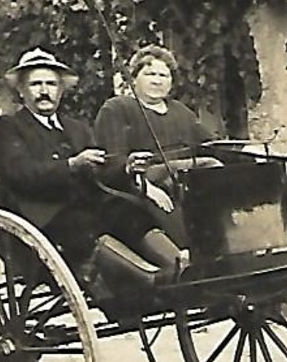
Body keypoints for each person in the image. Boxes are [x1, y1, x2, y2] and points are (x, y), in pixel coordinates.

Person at [0, 47, 181, 289]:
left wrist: (126, 167)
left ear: (61, 89)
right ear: (21, 90)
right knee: (84, 225)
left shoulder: (76, 127)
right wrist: (71, 164)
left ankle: (179, 266)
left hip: (88, 203)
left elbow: (100, 167)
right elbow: (19, 173)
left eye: (51, 84)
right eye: (36, 84)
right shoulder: (6, 128)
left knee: (129, 212)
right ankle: (149, 279)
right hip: (44, 213)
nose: (44, 91)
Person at [93, 45, 224, 254]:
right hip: (138, 186)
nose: (157, 80)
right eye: (149, 74)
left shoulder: (181, 112)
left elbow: (212, 146)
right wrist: (144, 185)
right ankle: (182, 258)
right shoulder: (117, 108)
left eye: (164, 75)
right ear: (134, 78)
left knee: (215, 167)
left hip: (186, 182)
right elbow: (112, 163)